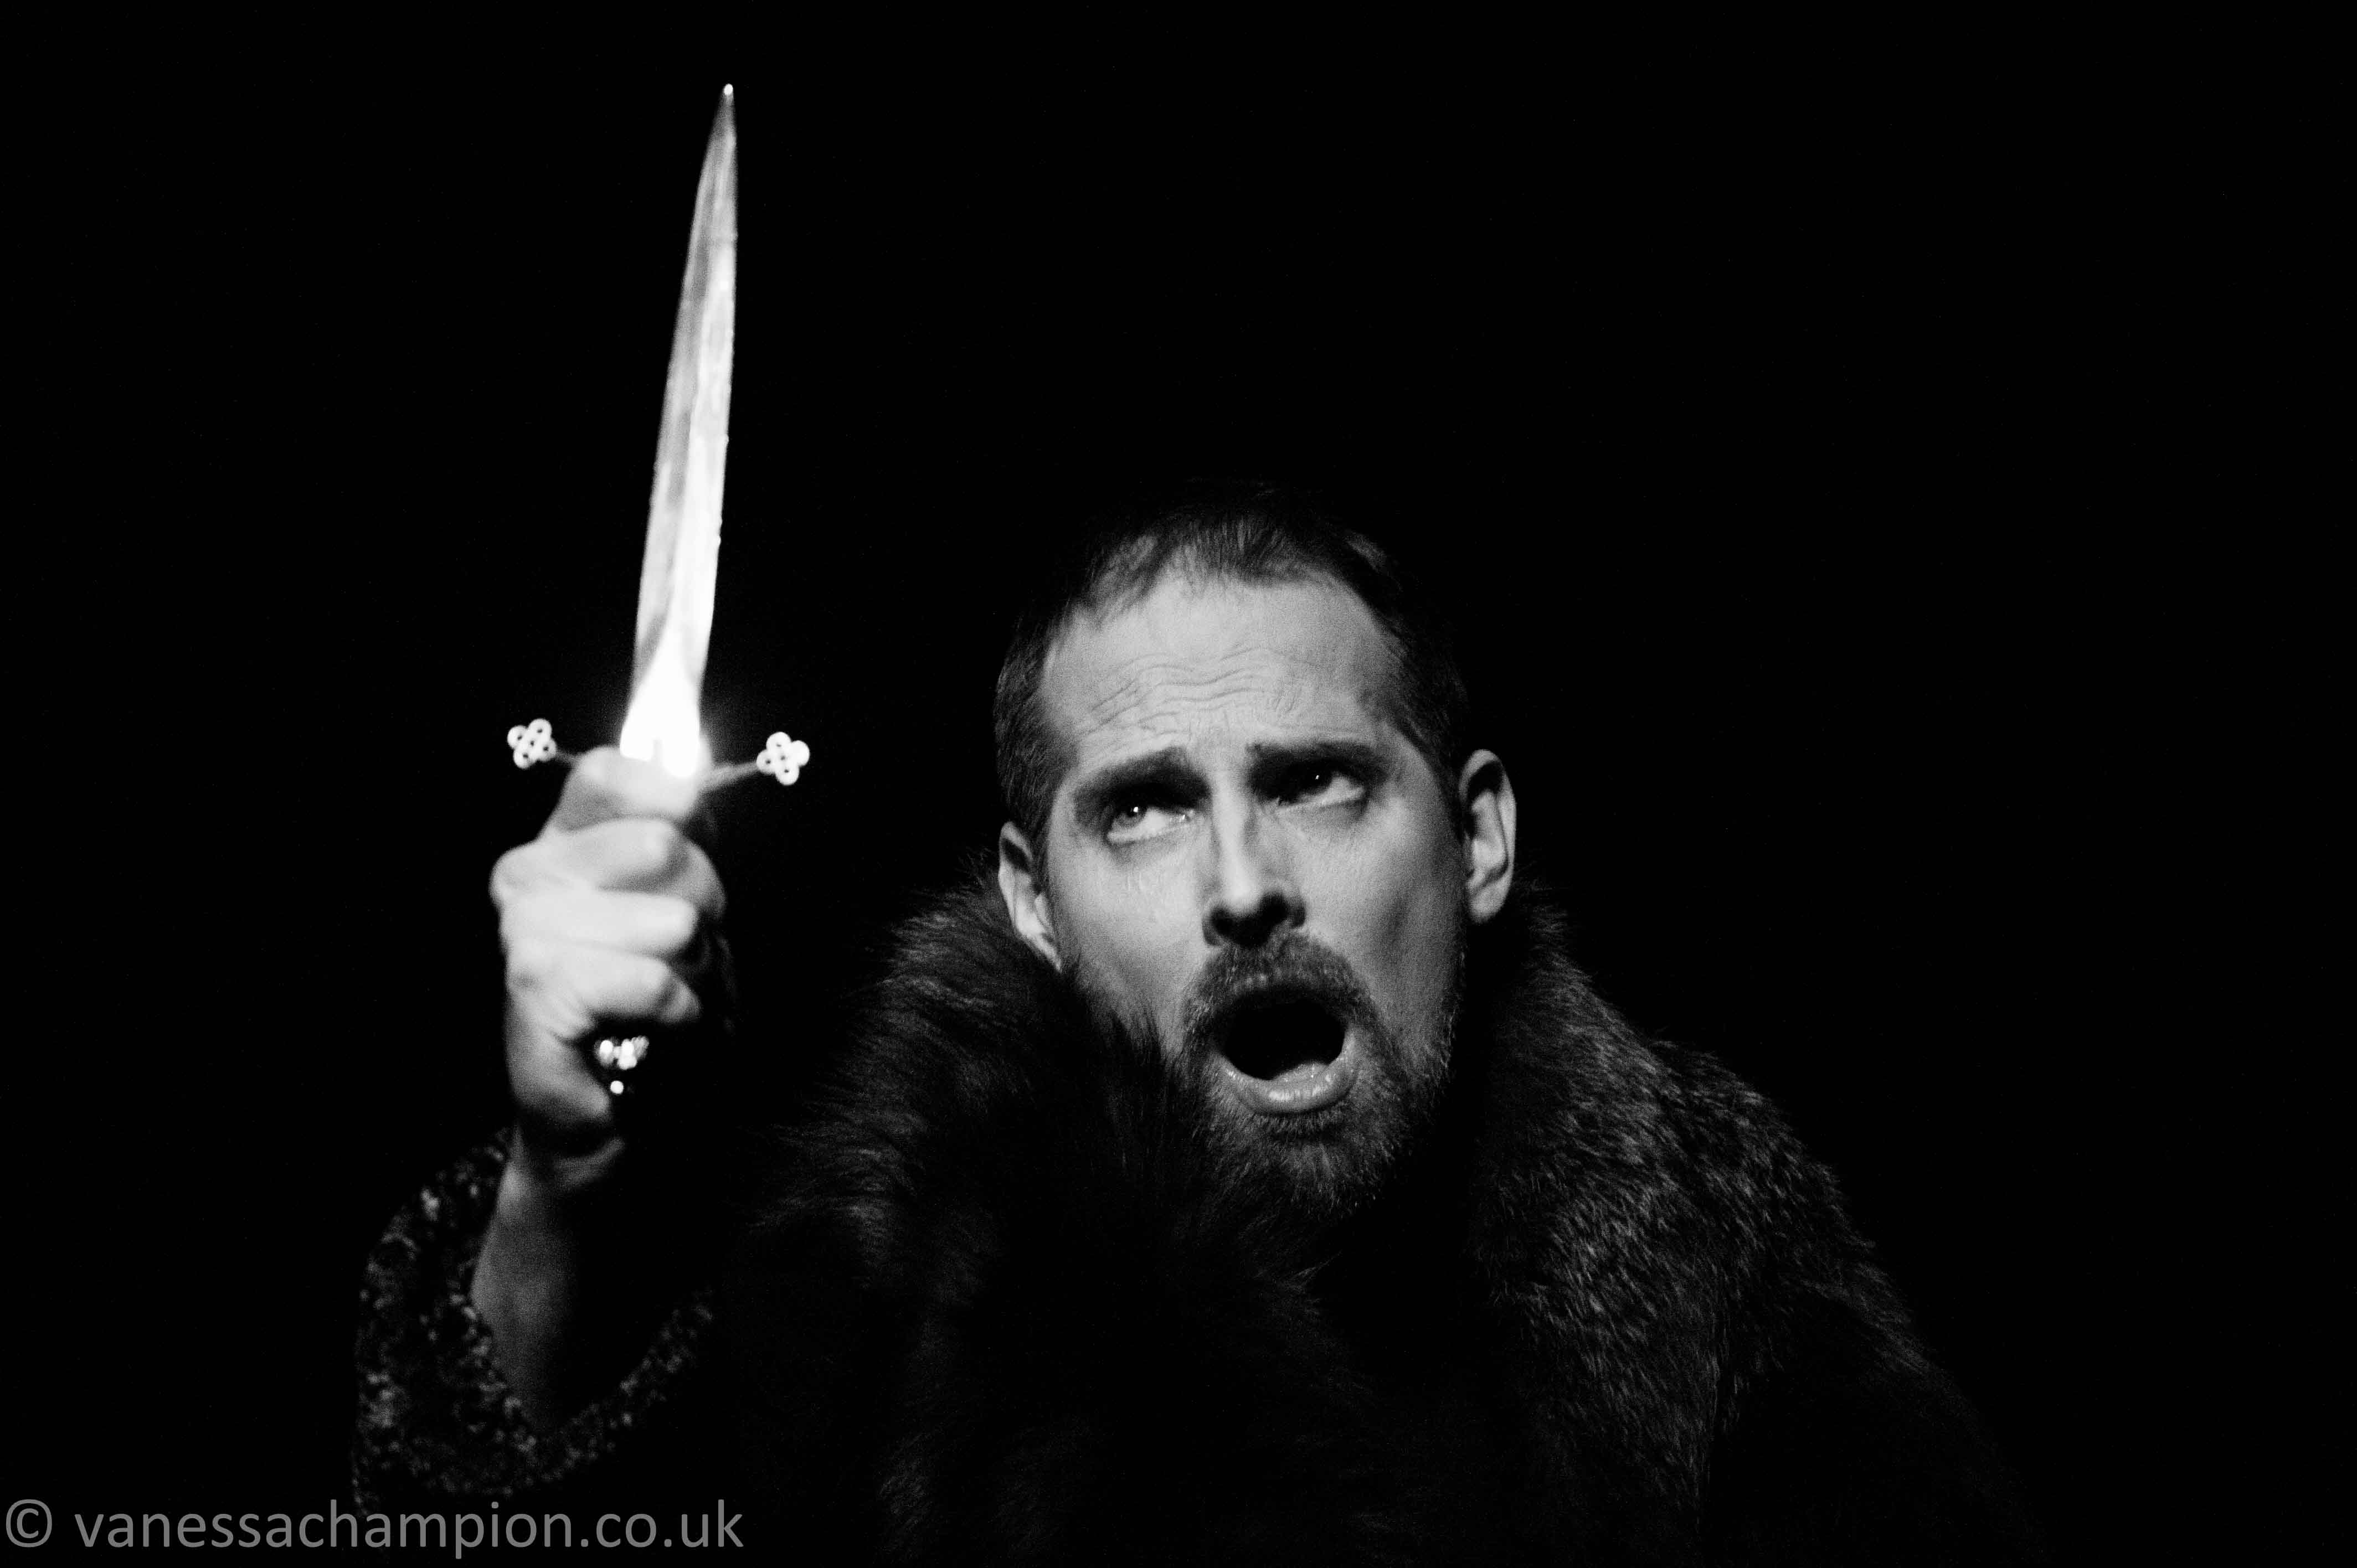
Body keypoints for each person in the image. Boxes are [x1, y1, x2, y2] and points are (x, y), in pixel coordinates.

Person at [356, 484, 2045, 1562]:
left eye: (1316, 783)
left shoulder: (1717, 1253)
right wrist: (563, 1194)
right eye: (1145, 809)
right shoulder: (870, 1293)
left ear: (1478, 842)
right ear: (1033, 902)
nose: (1244, 887)